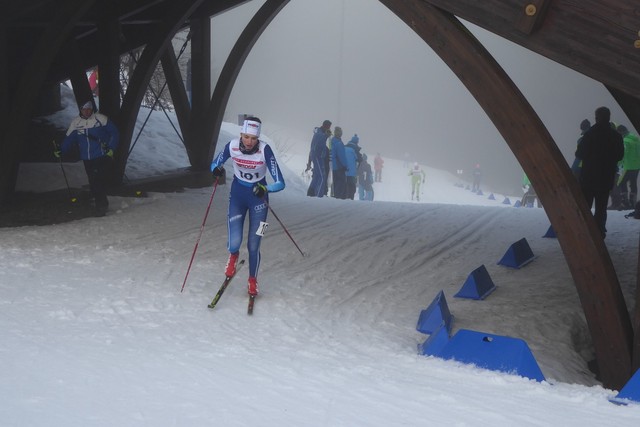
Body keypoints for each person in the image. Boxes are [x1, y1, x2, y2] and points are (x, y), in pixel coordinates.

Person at [210, 116, 285, 296]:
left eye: (253, 138)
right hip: (237, 196)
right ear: (241, 134)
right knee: (234, 242)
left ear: (258, 138)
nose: (249, 142)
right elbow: (214, 163)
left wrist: (265, 188)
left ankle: (253, 280)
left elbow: (281, 183)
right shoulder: (232, 146)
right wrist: (216, 170)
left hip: (260, 200)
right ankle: (233, 255)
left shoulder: (265, 150)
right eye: (246, 137)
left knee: (254, 244)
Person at [55, 100, 119, 217]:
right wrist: (61, 150)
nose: (87, 111)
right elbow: (69, 140)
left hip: (101, 155)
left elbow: (114, 133)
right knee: (92, 180)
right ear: (81, 110)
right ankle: (100, 202)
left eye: (89, 109)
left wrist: (111, 148)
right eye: (84, 109)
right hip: (86, 158)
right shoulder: (76, 123)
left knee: (97, 179)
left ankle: (101, 206)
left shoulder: (100, 119)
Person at [575, 106, 624, 238]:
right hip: (606, 177)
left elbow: (579, 153)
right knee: (601, 208)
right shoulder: (616, 136)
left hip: (588, 178)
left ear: (596, 118)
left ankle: (586, 231)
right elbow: (620, 156)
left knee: (586, 207)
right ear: (609, 118)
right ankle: (599, 231)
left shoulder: (589, 134)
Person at [615, 124, 640, 209]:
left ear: (621, 132)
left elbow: (623, 155)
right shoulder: (635, 139)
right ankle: (633, 203)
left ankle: (625, 203)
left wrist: (617, 164)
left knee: (621, 183)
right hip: (637, 166)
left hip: (628, 166)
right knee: (633, 183)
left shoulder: (625, 141)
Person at [305, 120, 331, 197]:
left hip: (318, 157)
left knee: (316, 175)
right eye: (329, 127)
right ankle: (319, 195)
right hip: (318, 157)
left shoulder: (320, 133)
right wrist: (326, 136)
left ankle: (311, 192)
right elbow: (317, 146)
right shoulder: (319, 134)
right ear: (326, 126)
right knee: (322, 176)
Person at [330, 126, 348, 199]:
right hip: (339, 166)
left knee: (335, 182)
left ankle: (333, 195)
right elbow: (341, 156)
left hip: (333, 166)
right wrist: (345, 165)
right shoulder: (339, 143)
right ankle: (338, 197)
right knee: (341, 182)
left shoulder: (331, 141)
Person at [344, 134, 360, 200]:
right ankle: (351, 198)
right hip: (352, 171)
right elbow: (358, 159)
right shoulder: (354, 149)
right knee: (352, 186)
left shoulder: (345, 147)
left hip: (344, 170)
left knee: (346, 185)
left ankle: (345, 196)